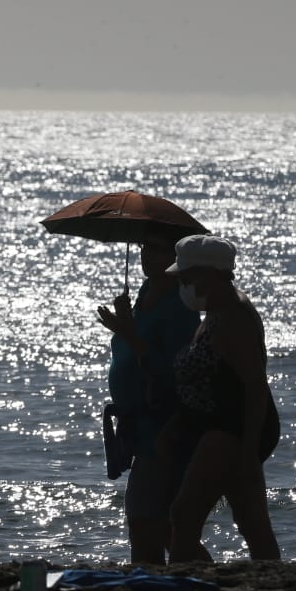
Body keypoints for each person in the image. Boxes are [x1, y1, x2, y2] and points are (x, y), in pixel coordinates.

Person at [161, 234, 280, 563]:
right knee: (251, 521)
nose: (181, 285)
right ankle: (272, 580)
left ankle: (184, 589)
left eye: (185, 278)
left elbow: (255, 387)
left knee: (184, 515)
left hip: (233, 427)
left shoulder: (232, 319)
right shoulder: (217, 311)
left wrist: (247, 452)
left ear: (209, 275)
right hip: (221, 425)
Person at [95, 234, 201, 565]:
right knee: (150, 521)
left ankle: (183, 578)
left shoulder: (179, 306)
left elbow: (173, 370)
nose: (146, 256)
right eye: (143, 248)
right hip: (140, 425)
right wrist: (124, 325)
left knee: (154, 522)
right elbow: (134, 347)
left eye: (156, 248)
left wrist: (129, 333)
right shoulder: (144, 294)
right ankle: (155, 579)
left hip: (164, 422)